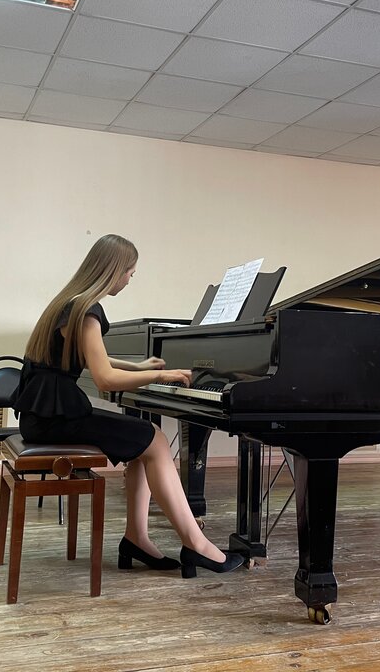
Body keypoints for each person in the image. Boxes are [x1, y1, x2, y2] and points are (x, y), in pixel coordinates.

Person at [14, 233, 244, 579]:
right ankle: (195, 544)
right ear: (115, 270)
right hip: (54, 420)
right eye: (130, 273)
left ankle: (137, 539)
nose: (129, 280)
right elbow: (104, 378)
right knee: (155, 440)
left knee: (143, 441)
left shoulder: (71, 303)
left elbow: (96, 358)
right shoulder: (87, 311)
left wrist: (139, 367)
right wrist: (159, 376)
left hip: (43, 416)